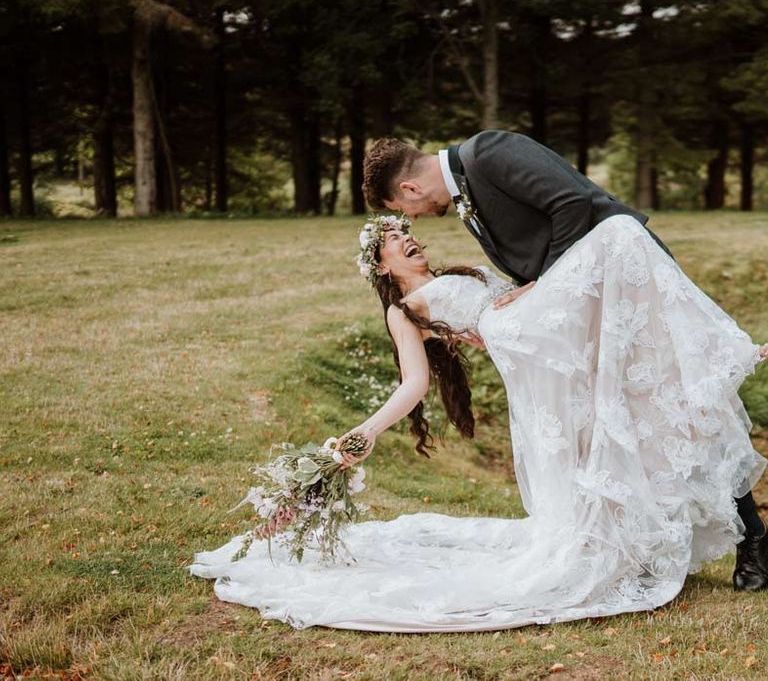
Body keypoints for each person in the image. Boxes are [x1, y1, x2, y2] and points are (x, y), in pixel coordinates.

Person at [190, 213, 768, 632]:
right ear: (381, 266)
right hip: (525, 342)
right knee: (616, 233)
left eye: (406, 232)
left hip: (534, 338)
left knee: (618, 396)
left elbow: (513, 296)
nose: (409, 240)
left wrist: (517, 299)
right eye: (394, 240)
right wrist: (361, 435)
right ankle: (718, 350)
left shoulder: (457, 273)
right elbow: (413, 383)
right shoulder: (404, 309)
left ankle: (701, 362)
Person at [361, 131, 768, 592]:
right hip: (581, 322)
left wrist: (540, 288)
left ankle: (753, 540)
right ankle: (652, 542)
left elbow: (575, 204)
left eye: (402, 211)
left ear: (409, 189)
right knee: (644, 425)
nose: (411, 220)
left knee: (685, 407)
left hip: (622, 289)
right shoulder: (463, 201)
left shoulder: (489, 151)